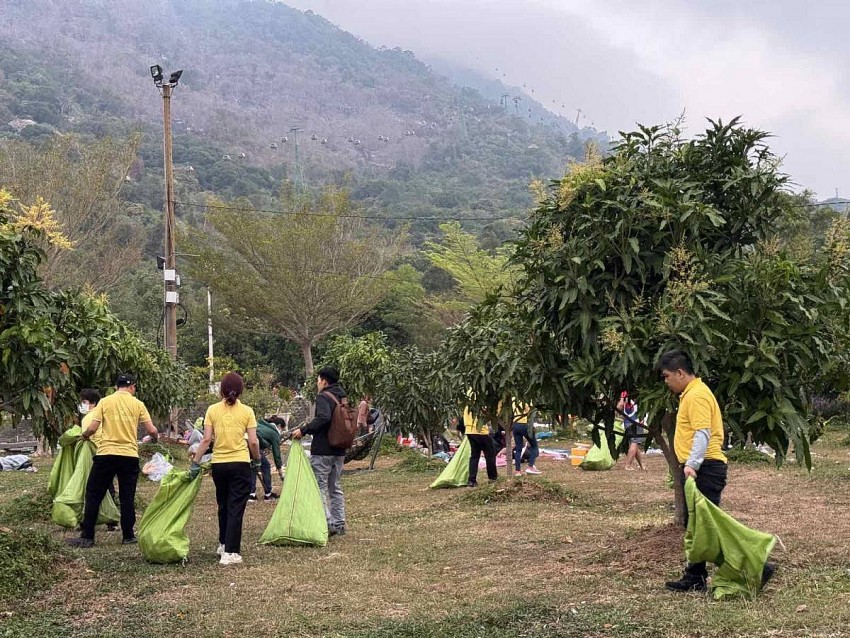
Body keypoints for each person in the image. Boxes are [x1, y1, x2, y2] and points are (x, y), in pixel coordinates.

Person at [657, 350, 729, 592]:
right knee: (695, 524)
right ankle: (695, 576)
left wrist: (692, 464)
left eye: (667, 376)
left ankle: (756, 566)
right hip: (702, 466)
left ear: (680, 373)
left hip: (706, 468)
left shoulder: (696, 395)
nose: (665, 381)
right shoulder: (691, 393)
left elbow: (702, 432)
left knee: (708, 525)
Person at [67, 374, 158, 548]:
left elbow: (92, 428)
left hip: (106, 454)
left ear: (117, 387)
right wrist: (156, 437)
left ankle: (87, 536)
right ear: (132, 387)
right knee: (127, 496)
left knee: (94, 494)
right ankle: (129, 535)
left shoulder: (105, 402)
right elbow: (151, 429)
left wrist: (84, 436)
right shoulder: (138, 404)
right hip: (129, 455)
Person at [189, 372, 261, 565]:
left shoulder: (212, 410)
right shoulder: (247, 411)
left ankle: (223, 543)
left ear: (222, 389)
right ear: (241, 390)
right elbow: (253, 442)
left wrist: (195, 462)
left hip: (219, 465)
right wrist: (257, 460)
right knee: (236, 507)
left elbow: (206, 440)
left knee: (223, 504)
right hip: (240, 464)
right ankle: (231, 552)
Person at [291, 367, 348, 537]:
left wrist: (304, 430)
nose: (317, 383)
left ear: (324, 381)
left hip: (323, 449)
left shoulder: (323, 396)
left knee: (320, 487)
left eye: (318, 380)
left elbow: (323, 418)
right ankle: (339, 523)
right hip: (339, 449)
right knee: (335, 487)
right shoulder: (342, 396)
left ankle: (328, 522)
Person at [249, 417, 284, 501]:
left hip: (244, 444)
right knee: (265, 466)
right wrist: (280, 472)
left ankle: (251, 494)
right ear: (279, 426)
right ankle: (268, 494)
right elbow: (277, 454)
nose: (282, 431)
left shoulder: (261, 424)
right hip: (253, 446)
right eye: (282, 429)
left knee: (252, 468)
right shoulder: (274, 433)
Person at [464, 405, 498, 487]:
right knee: (490, 455)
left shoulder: (467, 399)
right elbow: (487, 413)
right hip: (480, 431)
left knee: (474, 456)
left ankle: (471, 480)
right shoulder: (480, 399)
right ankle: (492, 478)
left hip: (469, 431)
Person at [511, 401, 541, 476]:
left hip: (515, 424)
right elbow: (531, 413)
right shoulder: (527, 400)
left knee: (518, 449)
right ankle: (530, 466)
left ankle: (518, 471)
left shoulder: (513, 399)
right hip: (525, 425)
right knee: (534, 447)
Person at [619, 392, 646, 471]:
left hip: (627, 423)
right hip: (636, 422)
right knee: (634, 443)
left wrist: (621, 398)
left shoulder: (624, 395)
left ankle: (642, 465)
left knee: (634, 444)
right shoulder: (638, 394)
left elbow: (619, 406)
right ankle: (628, 465)